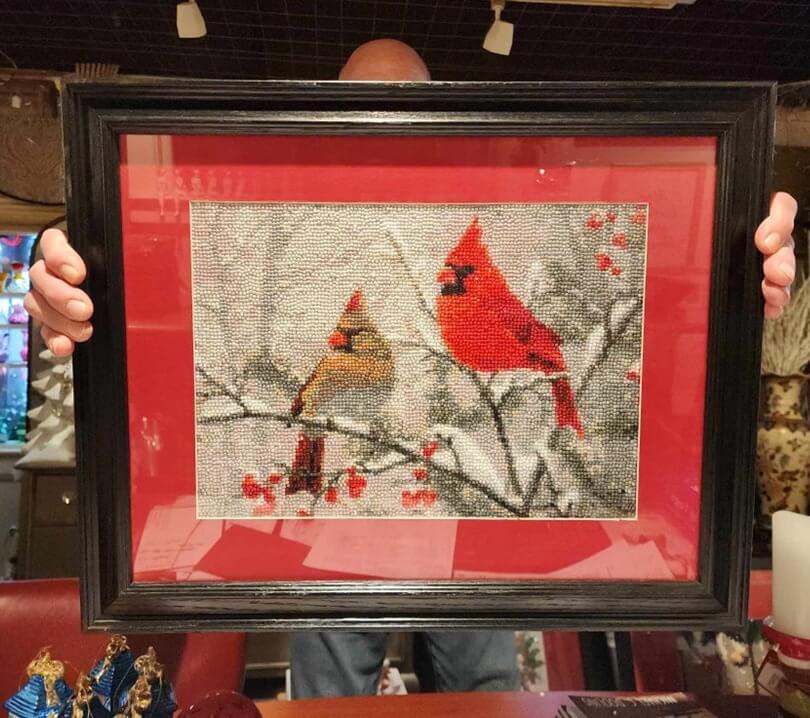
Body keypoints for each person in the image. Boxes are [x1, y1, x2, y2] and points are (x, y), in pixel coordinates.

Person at [25, 39, 798, 697]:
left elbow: (628, 281)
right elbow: (170, 284)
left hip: (471, 522)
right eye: (358, 117)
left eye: (412, 116)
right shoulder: (288, 219)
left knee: (485, 697)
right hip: (328, 537)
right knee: (330, 698)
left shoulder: (501, 211)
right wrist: (74, 265)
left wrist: (725, 274)